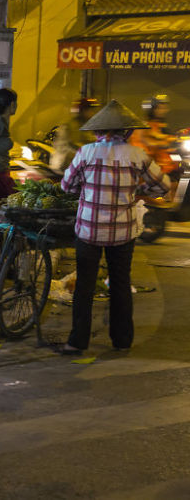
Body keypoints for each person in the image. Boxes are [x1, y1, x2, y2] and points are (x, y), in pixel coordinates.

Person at [60, 100, 170, 355]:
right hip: (122, 232)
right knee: (120, 283)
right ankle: (122, 341)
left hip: (89, 231)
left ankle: (77, 342)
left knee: (85, 285)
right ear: (127, 132)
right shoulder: (137, 155)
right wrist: (139, 189)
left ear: (98, 131)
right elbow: (163, 186)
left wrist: (85, 189)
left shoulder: (85, 152)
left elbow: (67, 187)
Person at [49, 97, 99, 172]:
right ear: (82, 111)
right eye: (90, 110)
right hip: (64, 166)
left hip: (76, 165)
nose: (93, 113)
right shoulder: (72, 126)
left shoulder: (86, 125)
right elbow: (76, 145)